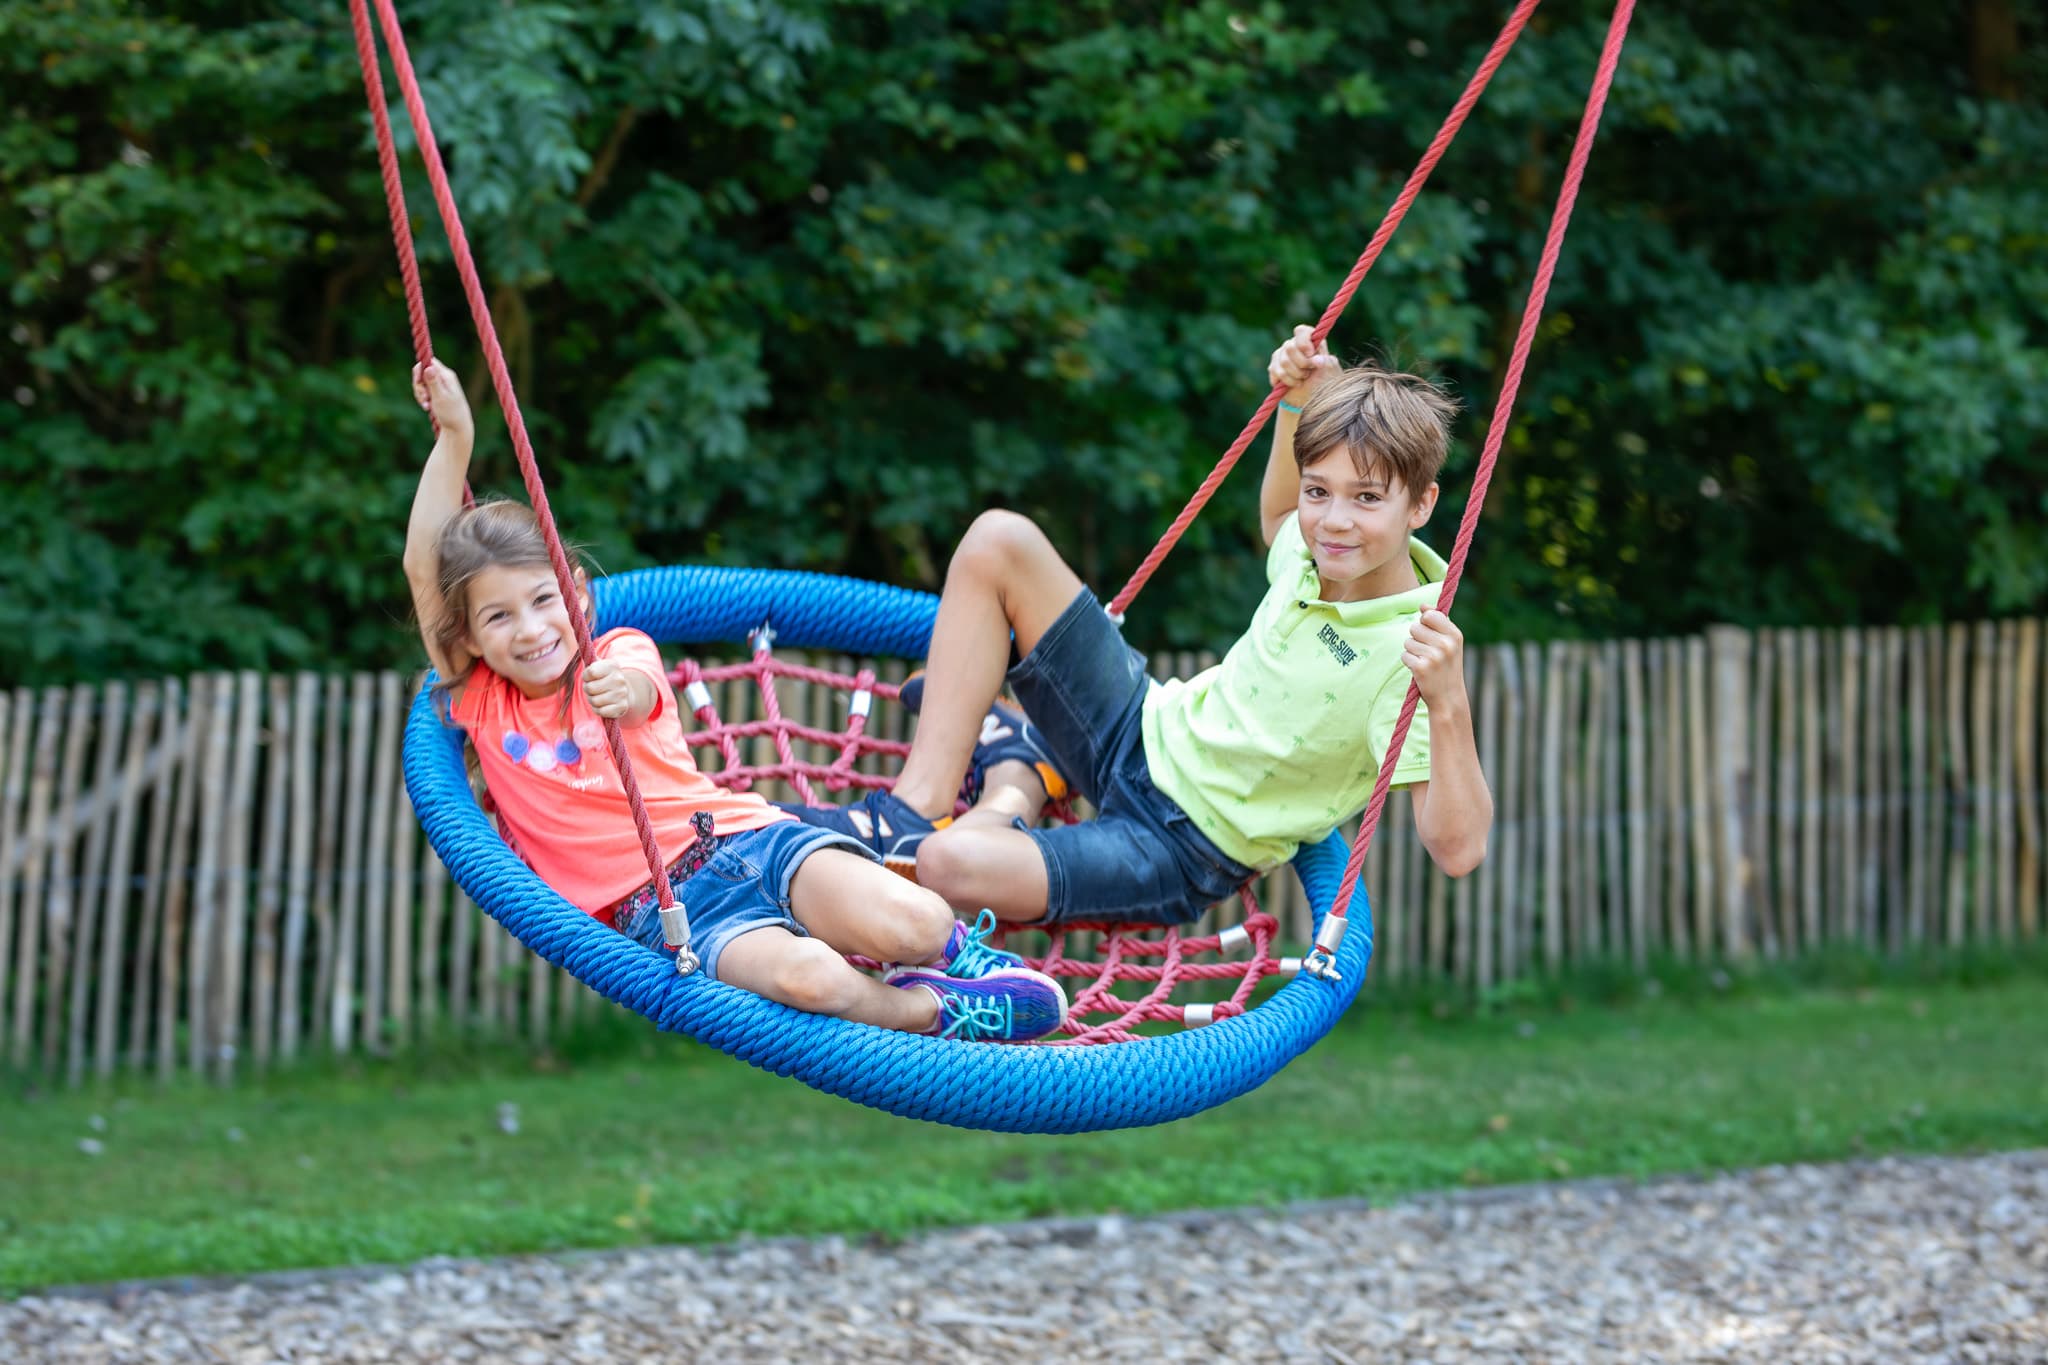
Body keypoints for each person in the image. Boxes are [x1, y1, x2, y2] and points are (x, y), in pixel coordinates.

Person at [400, 361, 1068, 1042]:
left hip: (747, 836)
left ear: (576, 590)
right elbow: (424, 571)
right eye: (499, 617)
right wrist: (455, 438)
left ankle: (957, 952)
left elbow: (638, 696)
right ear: (472, 640)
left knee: (919, 921)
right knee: (816, 979)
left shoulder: (619, 651)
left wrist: (619, 694)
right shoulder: (483, 701)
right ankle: (937, 1011)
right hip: (668, 909)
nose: (533, 628)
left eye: (544, 599)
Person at [794, 324, 1494, 926]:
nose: (1334, 521)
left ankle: (1019, 777)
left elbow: (1459, 852)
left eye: (1366, 498)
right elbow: (1281, 517)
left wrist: (1450, 702)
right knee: (997, 540)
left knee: (949, 863)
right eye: (1323, 490)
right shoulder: (1312, 556)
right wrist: (1299, 407)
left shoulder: (1406, 655)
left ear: (1422, 504)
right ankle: (915, 805)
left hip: (1178, 846)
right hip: (1143, 725)